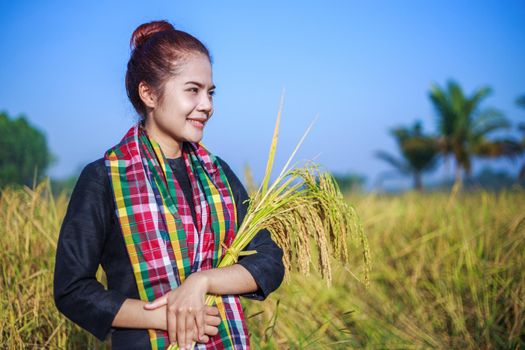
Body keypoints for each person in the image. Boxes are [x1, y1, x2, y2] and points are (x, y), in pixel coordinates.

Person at [53, 20, 285, 350]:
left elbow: (268, 260)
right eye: (193, 90)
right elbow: (72, 289)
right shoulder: (105, 178)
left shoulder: (219, 174)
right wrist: (164, 316)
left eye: (210, 92)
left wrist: (201, 282)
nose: (207, 105)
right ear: (148, 93)